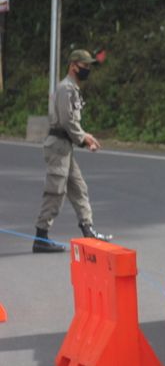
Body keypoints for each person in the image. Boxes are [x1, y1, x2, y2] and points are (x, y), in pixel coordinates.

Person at [34, 49, 108, 253]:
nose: (87, 70)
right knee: (55, 192)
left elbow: (73, 123)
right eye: (84, 66)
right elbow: (67, 122)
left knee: (78, 187)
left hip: (65, 146)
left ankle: (88, 229)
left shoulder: (72, 88)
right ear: (73, 65)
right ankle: (41, 236)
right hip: (58, 146)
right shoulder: (66, 88)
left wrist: (84, 136)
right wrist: (84, 139)